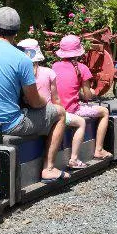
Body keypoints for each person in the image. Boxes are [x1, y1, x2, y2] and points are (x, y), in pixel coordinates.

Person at [0, 7, 70, 183]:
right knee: (60, 113)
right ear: (17, 31)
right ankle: (49, 168)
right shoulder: (23, 59)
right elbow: (34, 101)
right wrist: (45, 102)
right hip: (8, 125)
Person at [17, 38, 88, 169]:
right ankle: (74, 159)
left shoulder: (17, 73)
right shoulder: (48, 72)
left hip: (26, 115)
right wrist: (63, 112)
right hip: (47, 115)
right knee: (81, 122)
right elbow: (56, 100)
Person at [52, 35, 112, 160]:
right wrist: (92, 92)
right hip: (72, 110)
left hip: (57, 110)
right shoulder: (82, 68)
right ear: (78, 52)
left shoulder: (54, 66)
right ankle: (99, 150)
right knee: (104, 112)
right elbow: (87, 96)